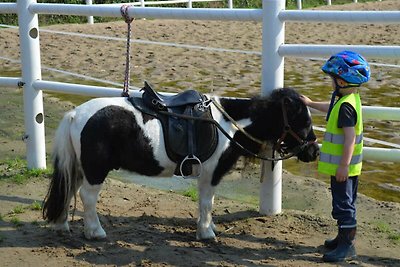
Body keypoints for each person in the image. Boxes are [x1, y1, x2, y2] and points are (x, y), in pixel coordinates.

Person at [300, 51, 370, 262]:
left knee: (343, 204)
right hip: (348, 167)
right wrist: (311, 103)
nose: (331, 83)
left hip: (343, 168)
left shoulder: (346, 107)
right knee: (345, 201)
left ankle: (347, 246)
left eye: (332, 79)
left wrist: (343, 166)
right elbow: (330, 108)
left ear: (340, 80)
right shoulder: (347, 98)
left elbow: (349, 139)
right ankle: (342, 238)